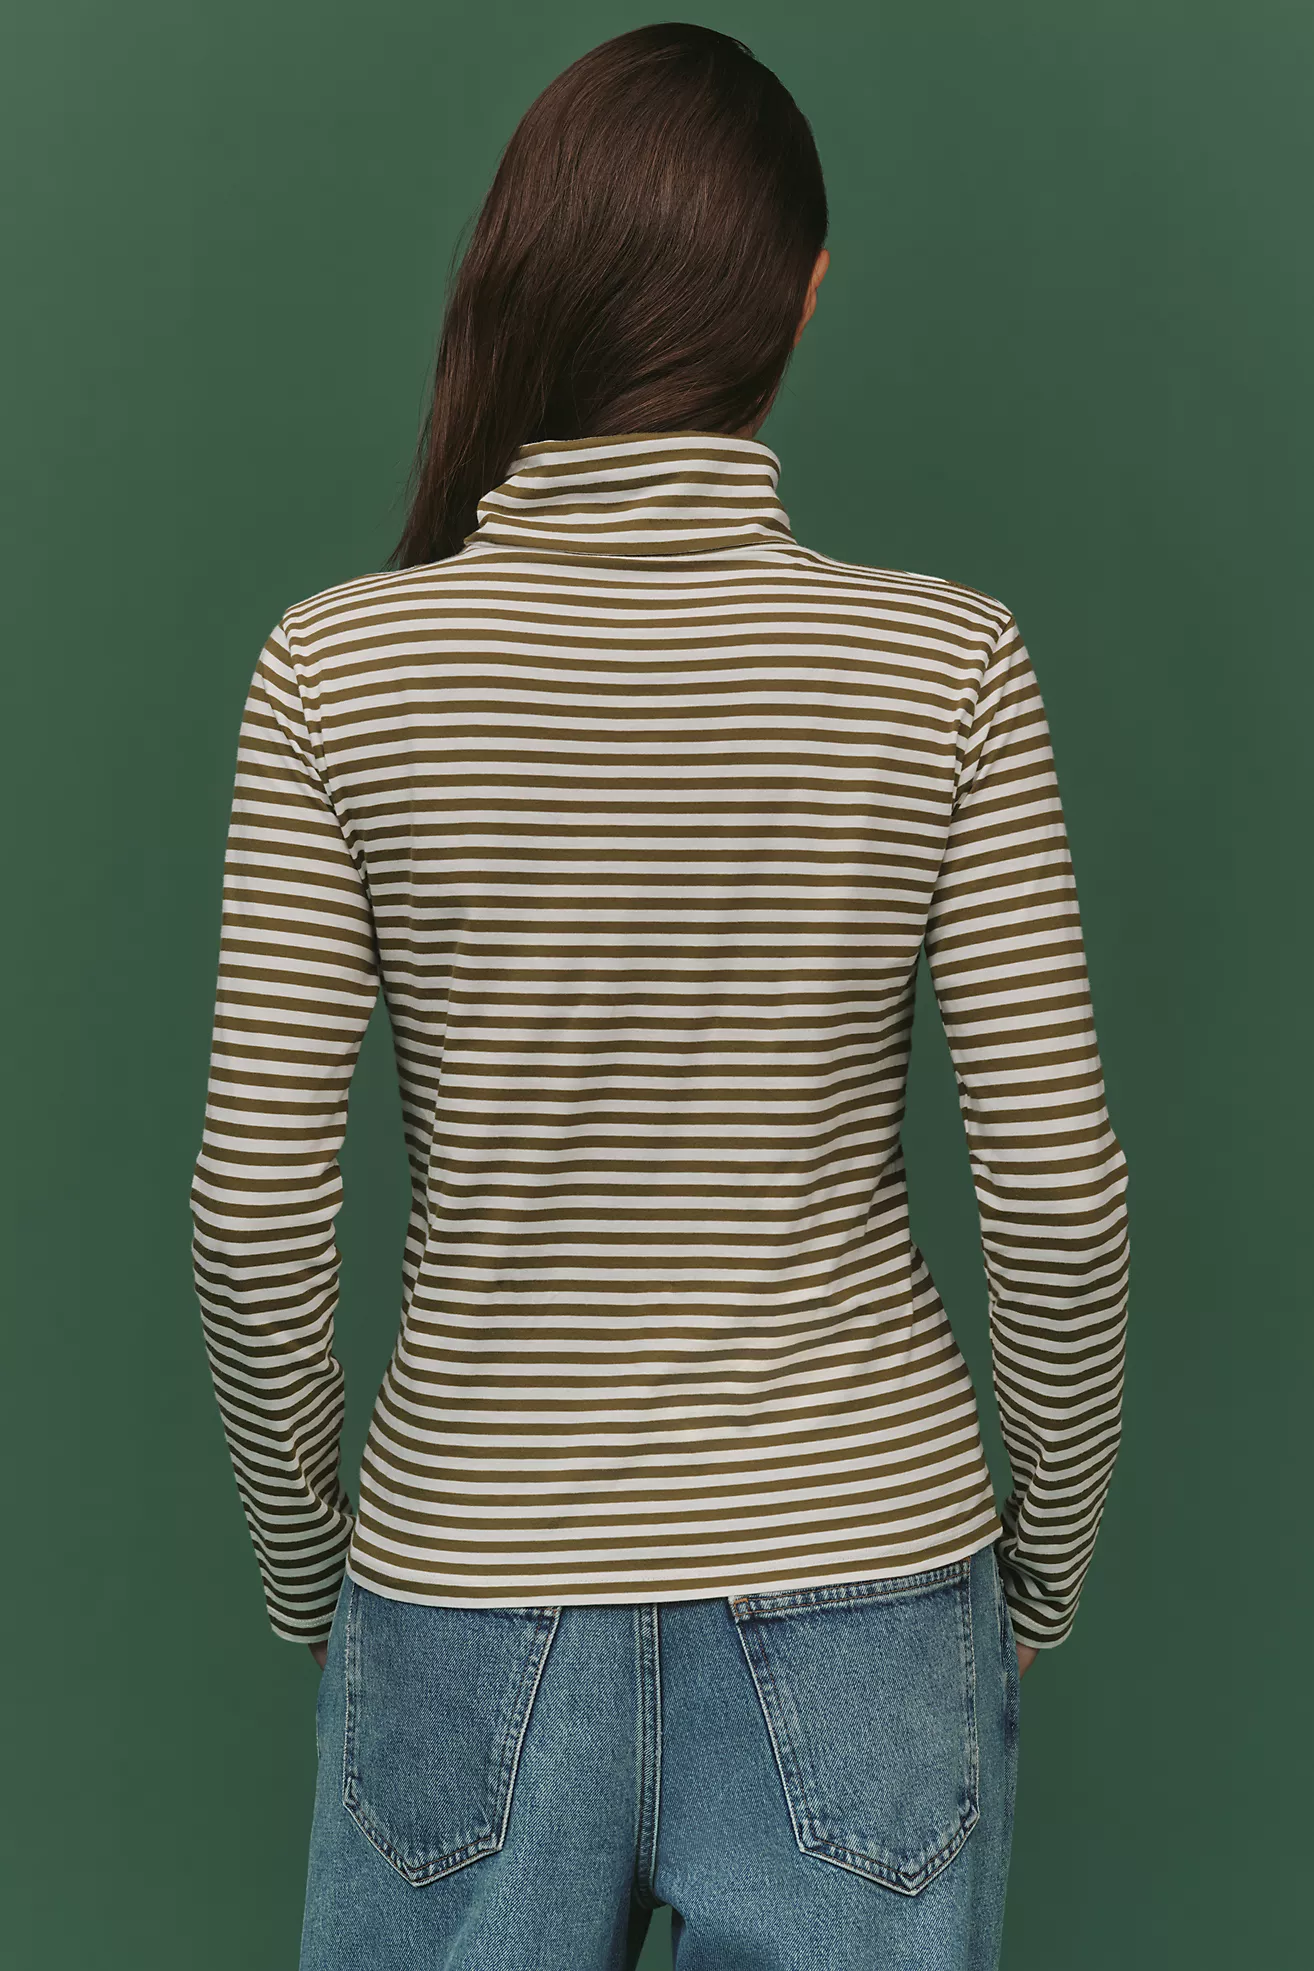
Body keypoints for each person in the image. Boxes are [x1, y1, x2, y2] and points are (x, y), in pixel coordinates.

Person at [189, 22, 1129, 1970]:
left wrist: (315, 1576)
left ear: (523, 270)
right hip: (869, 1564)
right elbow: (1054, 1194)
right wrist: (1038, 1565)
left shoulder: (335, 673)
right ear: (801, 296)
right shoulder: (945, 668)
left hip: (461, 1570)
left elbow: (258, 1210)